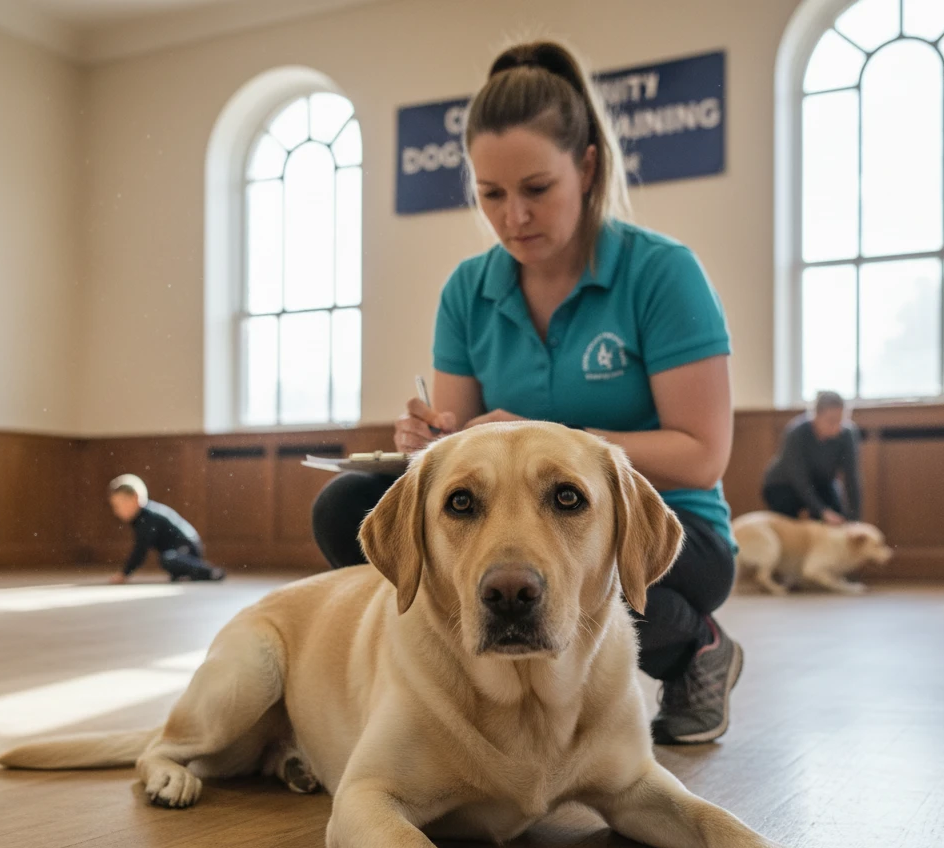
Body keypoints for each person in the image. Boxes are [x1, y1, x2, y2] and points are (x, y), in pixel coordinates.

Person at [312, 40, 741, 745]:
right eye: (491, 195)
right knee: (347, 512)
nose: (514, 216)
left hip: (667, 524)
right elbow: (466, 438)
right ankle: (431, 688)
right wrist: (433, 446)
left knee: (607, 574)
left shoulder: (663, 273)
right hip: (510, 521)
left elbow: (701, 457)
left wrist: (554, 432)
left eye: (536, 189)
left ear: (588, 167)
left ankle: (696, 646)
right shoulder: (465, 291)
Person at [762, 391, 861, 524]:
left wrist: (855, 519)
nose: (837, 427)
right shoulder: (796, 433)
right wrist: (821, 511)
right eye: (831, 421)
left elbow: (852, 477)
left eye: (840, 421)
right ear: (816, 416)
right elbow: (798, 478)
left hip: (821, 485)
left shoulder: (847, 434)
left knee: (838, 516)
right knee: (796, 516)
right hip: (784, 485)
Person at [107, 474, 225, 583]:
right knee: (170, 562)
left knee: (168, 559)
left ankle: (211, 571)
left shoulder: (148, 517)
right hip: (178, 551)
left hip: (187, 548)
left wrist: (124, 574)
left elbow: (140, 550)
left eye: (119, 505)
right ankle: (190, 573)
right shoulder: (141, 518)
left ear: (135, 498)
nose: (116, 511)